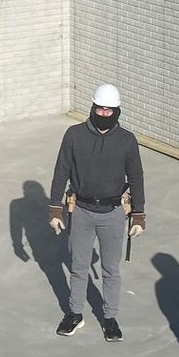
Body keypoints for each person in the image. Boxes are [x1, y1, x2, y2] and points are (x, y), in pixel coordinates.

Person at [48, 84, 146, 341]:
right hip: (81, 210)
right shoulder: (74, 135)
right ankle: (74, 313)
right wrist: (55, 208)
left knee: (111, 269)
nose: (103, 113)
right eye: (99, 108)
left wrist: (139, 214)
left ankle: (110, 317)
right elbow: (61, 171)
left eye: (108, 110)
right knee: (79, 268)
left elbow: (136, 178)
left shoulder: (127, 141)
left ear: (117, 111)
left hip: (113, 213)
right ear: (92, 107)